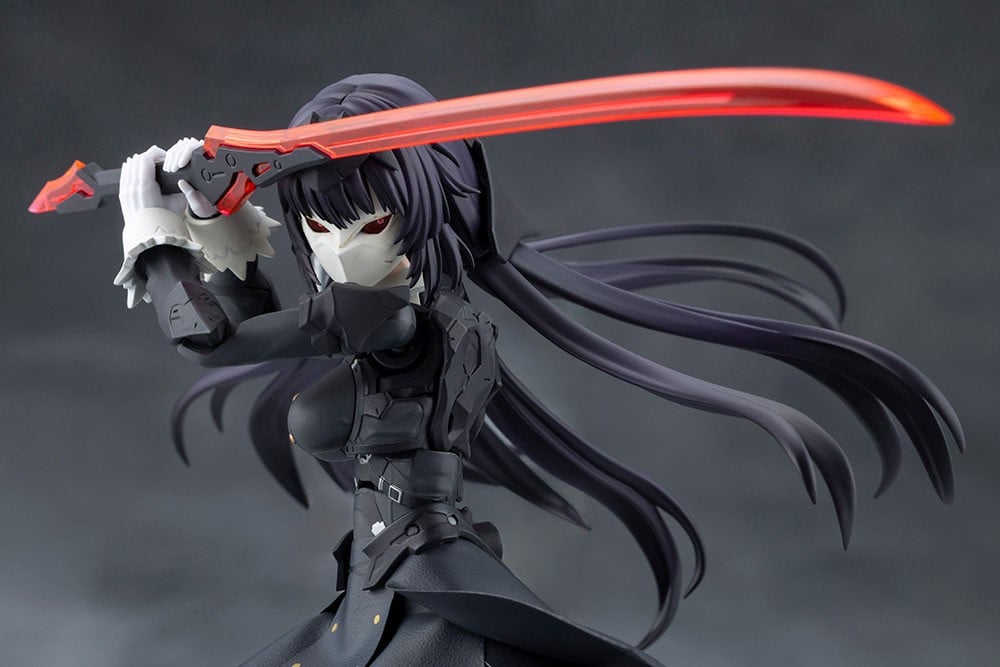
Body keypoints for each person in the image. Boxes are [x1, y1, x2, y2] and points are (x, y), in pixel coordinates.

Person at [113, 74, 961, 666]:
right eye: (317, 229)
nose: (338, 253)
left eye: (368, 225)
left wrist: (153, 238)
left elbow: (214, 341)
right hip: (383, 581)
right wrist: (212, 220)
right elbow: (250, 327)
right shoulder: (417, 320)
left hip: (419, 581)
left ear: (433, 214)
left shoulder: (389, 317)